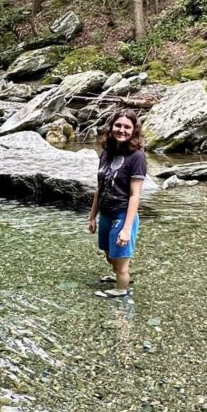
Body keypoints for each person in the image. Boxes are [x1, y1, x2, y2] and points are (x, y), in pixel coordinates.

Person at [88, 108, 147, 298]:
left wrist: (127, 228)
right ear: (111, 127)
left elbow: (135, 195)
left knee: (120, 260)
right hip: (106, 213)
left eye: (127, 127)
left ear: (134, 131)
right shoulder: (106, 153)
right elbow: (99, 187)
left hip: (122, 213)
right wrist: (92, 217)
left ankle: (121, 290)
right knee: (109, 254)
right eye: (118, 125)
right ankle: (120, 275)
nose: (122, 130)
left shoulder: (137, 157)